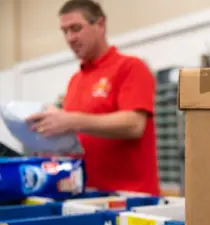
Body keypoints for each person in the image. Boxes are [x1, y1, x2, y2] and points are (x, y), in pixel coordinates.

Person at [26, 0, 160, 196]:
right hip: (86, 194)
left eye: (76, 28)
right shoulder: (75, 81)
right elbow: (79, 138)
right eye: (65, 31)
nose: (70, 38)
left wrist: (70, 120)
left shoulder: (131, 67)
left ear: (100, 25)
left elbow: (134, 125)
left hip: (130, 197)